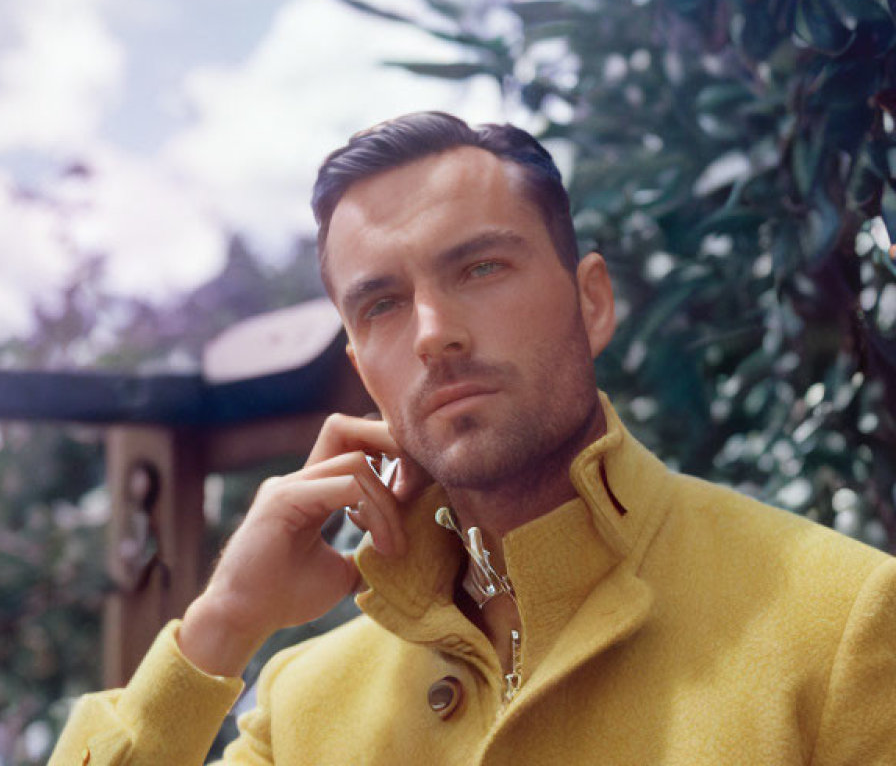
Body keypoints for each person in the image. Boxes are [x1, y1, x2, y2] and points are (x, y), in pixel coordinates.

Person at [49, 112, 896, 765]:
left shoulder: (842, 622)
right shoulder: (302, 704)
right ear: (361, 365)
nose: (433, 333)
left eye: (480, 269)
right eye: (381, 303)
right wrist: (222, 624)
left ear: (591, 301)